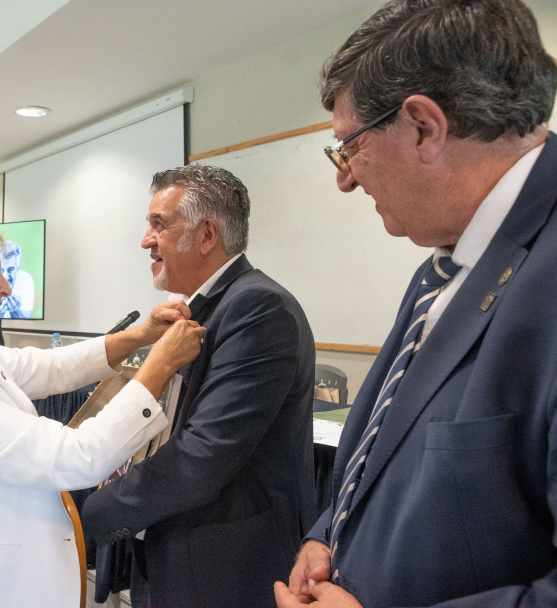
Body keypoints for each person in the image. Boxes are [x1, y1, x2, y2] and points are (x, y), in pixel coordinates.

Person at [274, 2, 557, 607]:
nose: (345, 178)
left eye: (348, 146)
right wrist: (328, 535)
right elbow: (389, 451)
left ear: (424, 127)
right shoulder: (441, 268)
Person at [0, 203, 206, 607]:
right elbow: (77, 456)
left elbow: (49, 367)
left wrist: (141, 336)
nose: (6, 287)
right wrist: (160, 365)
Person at [81, 165, 318, 608]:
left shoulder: (258, 307)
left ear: (207, 235)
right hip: (173, 551)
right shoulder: (199, 308)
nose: (146, 241)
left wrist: (89, 514)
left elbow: (201, 455)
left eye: (159, 225)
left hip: (222, 568)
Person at [0, 239, 35, 318]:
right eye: (1, 270)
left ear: (17, 268)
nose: (5, 276)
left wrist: (14, 311)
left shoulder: (26, 280)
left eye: (10, 270)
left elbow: (27, 321)